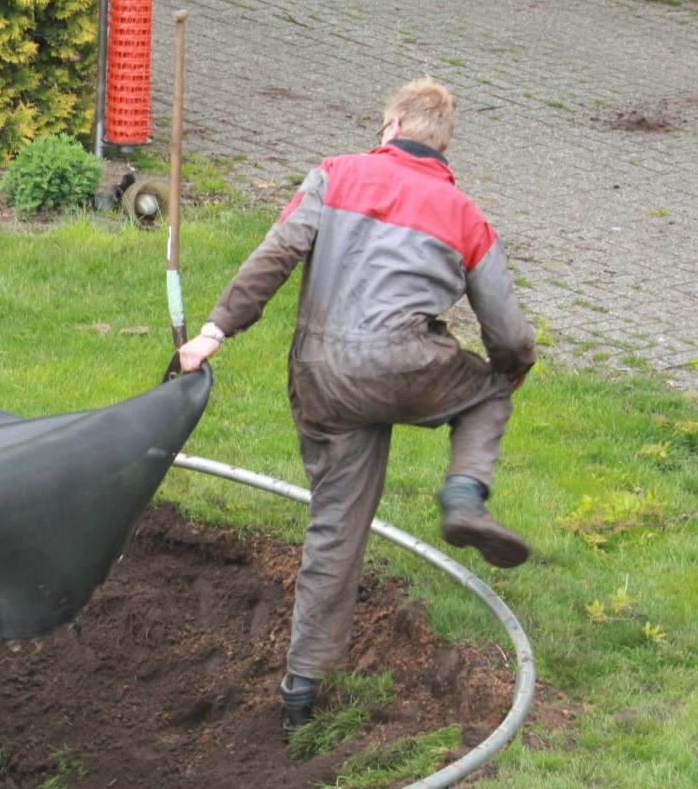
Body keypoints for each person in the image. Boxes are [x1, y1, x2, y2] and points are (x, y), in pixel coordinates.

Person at [174, 78, 535, 733]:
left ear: (390, 126)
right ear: (443, 144)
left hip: (323, 378)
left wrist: (214, 332)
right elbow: (509, 336)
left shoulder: (334, 177)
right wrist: (510, 373)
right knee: (488, 393)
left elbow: (275, 255)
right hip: (410, 367)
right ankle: (463, 496)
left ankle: (301, 691)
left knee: (337, 522)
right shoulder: (467, 217)